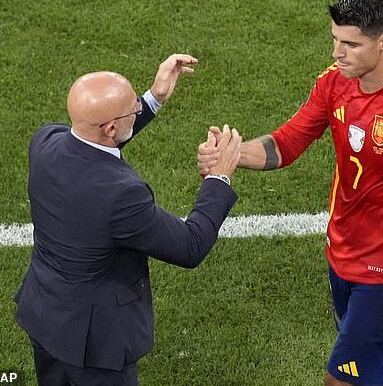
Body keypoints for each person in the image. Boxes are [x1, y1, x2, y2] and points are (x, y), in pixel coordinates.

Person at [198, 0, 383, 386]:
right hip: (341, 253)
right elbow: (287, 142)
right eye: (335, 39)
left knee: (342, 380)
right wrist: (231, 155)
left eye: (350, 44)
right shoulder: (335, 82)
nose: (337, 52)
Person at [14, 54, 241, 386]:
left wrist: (155, 98)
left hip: (46, 317)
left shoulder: (45, 142)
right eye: (133, 108)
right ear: (110, 127)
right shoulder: (122, 196)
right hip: (95, 344)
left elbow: (93, 147)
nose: (137, 107)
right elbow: (190, 246)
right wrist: (218, 179)